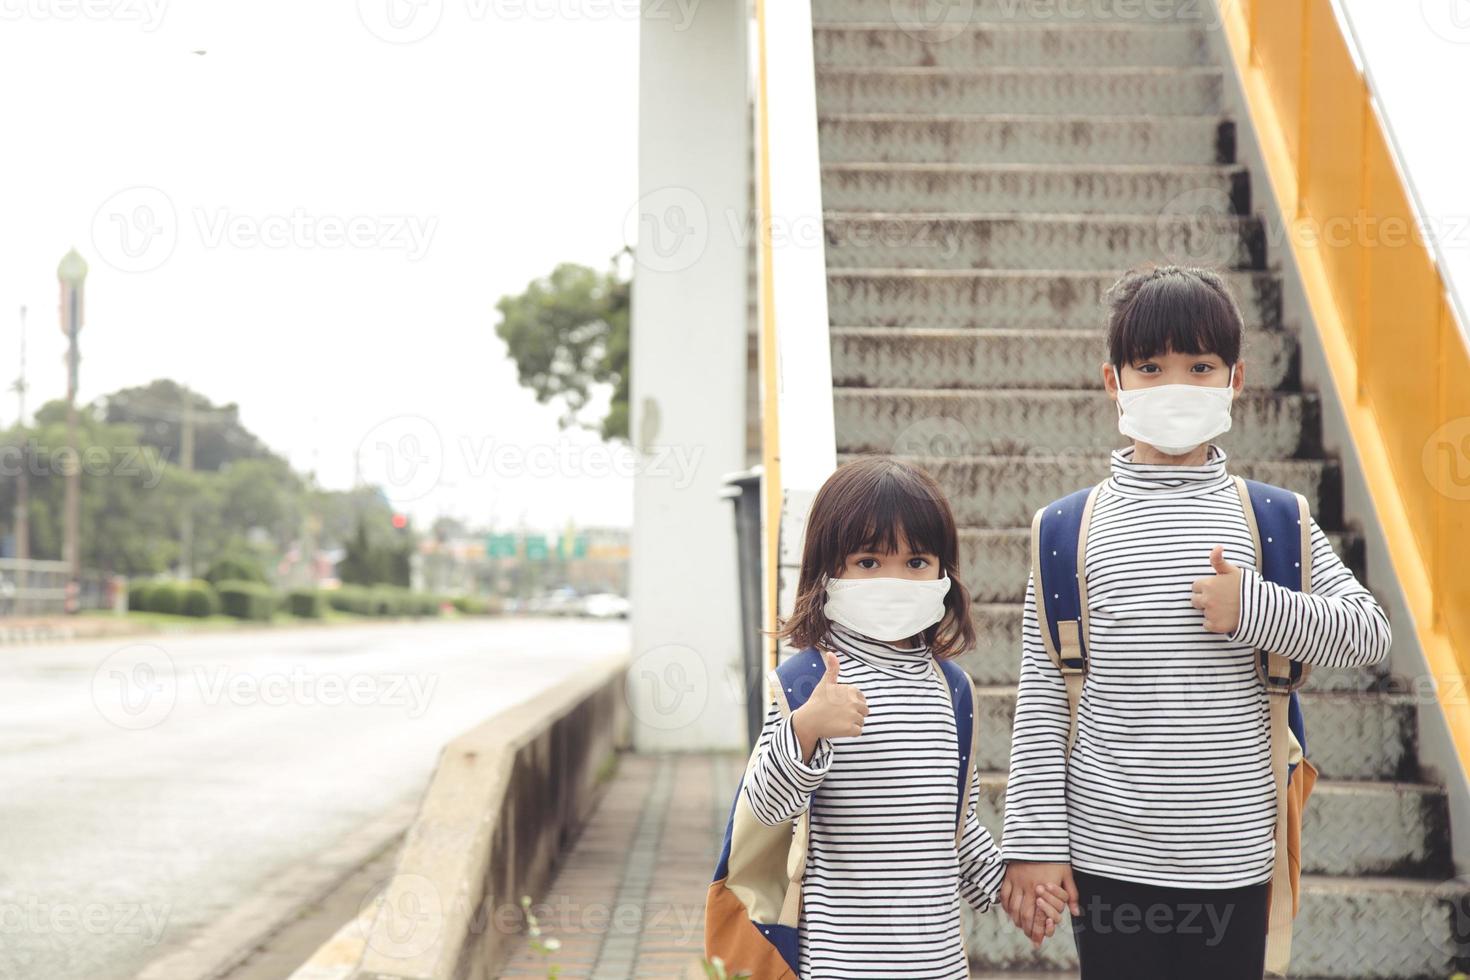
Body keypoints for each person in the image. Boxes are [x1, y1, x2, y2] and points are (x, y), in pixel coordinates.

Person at [997, 265, 1393, 978]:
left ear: (1235, 379)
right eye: (1150, 367)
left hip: (1234, 857)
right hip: (1107, 856)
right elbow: (1042, 702)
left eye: (1199, 366)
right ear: (1113, 382)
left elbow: (1368, 631)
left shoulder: (1275, 522)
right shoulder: (1066, 531)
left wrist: (1256, 608)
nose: (1174, 385)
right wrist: (1032, 845)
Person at [745, 455, 1067, 979]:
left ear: (944, 573)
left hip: (938, 964)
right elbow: (764, 806)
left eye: (916, 562)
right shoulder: (805, 681)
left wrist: (1008, 888)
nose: (894, 578)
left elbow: (953, 825)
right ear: (829, 570)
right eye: (869, 562)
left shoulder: (952, 688)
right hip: (839, 964)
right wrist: (805, 728)